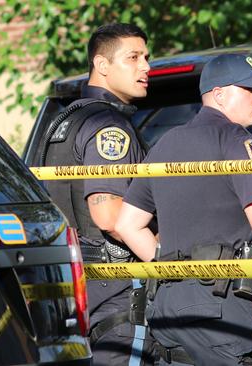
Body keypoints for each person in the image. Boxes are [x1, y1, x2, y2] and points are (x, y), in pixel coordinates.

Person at [115, 54, 252, 366]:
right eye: (250, 90)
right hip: (227, 308)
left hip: (169, 307)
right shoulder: (236, 140)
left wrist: (172, 268)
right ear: (219, 94)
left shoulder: (164, 144)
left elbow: (128, 224)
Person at [40, 23, 153, 365]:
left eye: (146, 57)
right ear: (102, 65)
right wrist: (164, 257)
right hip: (116, 286)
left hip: (69, 283)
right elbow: (110, 216)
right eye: (133, 57)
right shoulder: (108, 125)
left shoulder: (62, 121)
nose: (146, 66)